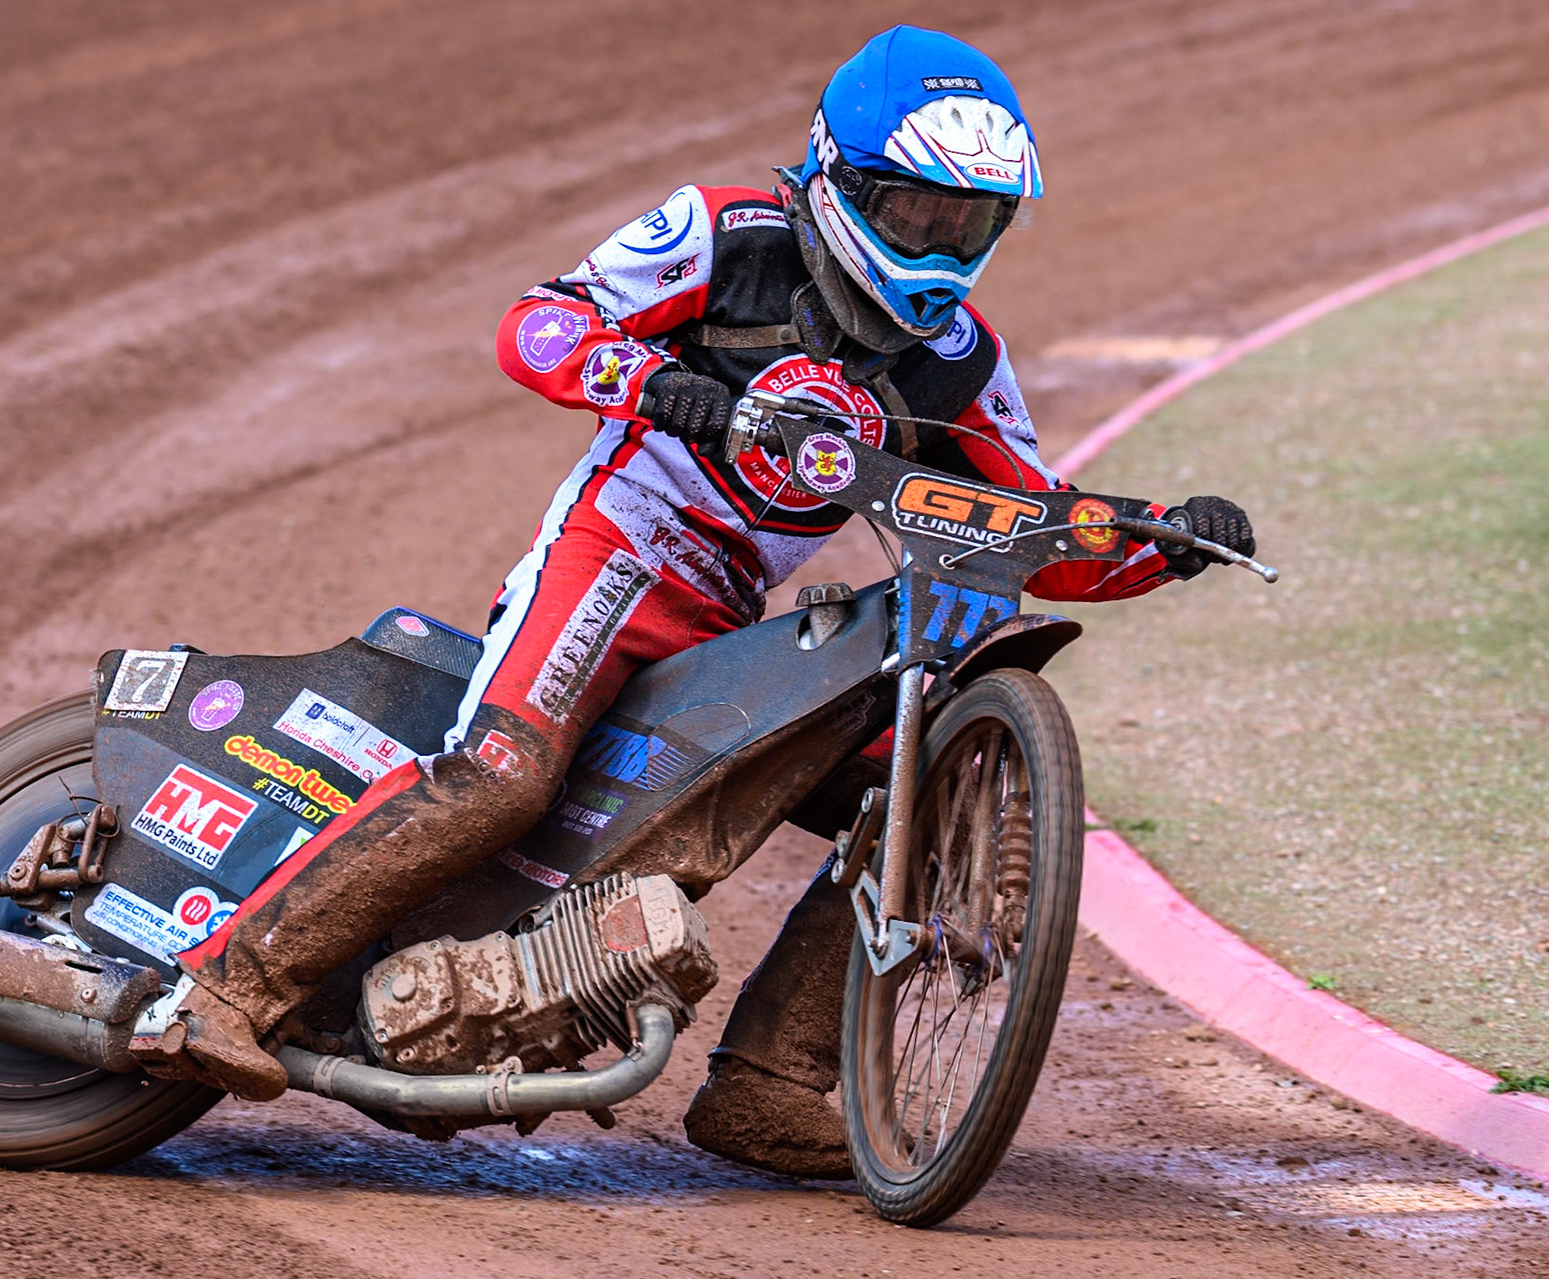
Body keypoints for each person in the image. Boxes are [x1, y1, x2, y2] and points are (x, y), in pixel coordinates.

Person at [131, 25, 1256, 1176]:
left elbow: (1035, 527)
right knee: (506, 772)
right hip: (618, 551)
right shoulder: (724, 235)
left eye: (966, 223)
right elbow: (541, 322)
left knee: (903, 792)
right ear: (838, 179)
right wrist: (646, 379)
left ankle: (772, 1084)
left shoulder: (963, 360)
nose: (937, 245)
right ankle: (221, 983)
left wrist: (1166, 542)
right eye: (914, 211)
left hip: (731, 614)